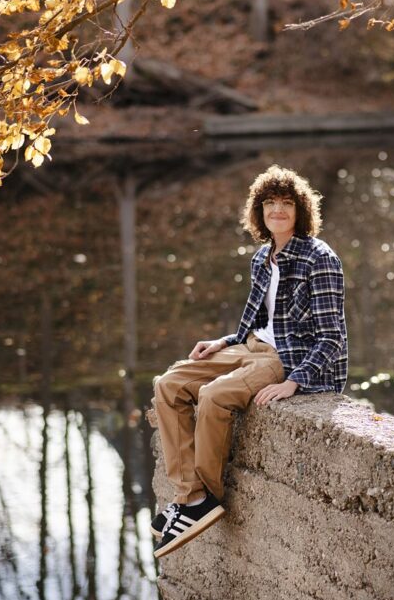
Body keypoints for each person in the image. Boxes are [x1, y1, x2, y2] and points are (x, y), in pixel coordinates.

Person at [149, 165, 348, 558]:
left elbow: (332, 338)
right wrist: (223, 341)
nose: (278, 210)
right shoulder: (262, 257)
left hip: (289, 357)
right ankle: (189, 497)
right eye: (270, 203)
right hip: (252, 346)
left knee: (214, 396)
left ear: (300, 210)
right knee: (168, 384)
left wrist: (296, 382)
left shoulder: (319, 259)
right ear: (258, 211)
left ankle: (205, 499)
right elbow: (261, 320)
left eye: (286, 204)